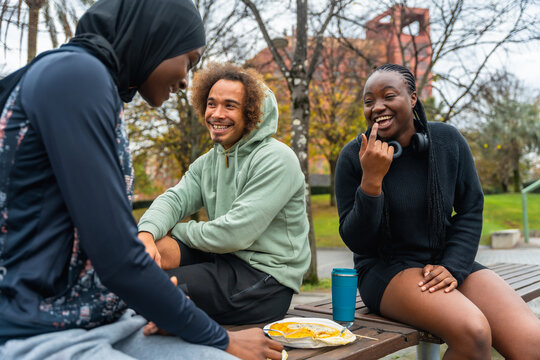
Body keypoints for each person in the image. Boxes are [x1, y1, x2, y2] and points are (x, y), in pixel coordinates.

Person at [0, 1, 283, 359]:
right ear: (157, 36)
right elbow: (119, 253)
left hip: (105, 319)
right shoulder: (75, 75)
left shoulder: (95, 85)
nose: (185, 80)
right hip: (39, 330)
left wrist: (166, 305)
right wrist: (221, 337)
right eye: (189, 60)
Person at [335, 63, 540, 359]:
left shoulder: (447, 142)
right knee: (474, 332)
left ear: (413, 98)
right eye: (369, 101)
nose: (377, 107)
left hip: (446, 261)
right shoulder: (354, 156)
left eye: (388, 96)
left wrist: (453, 266)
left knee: (532, 342)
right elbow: (359, 241)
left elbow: (470, 208)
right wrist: (371, 182)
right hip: (387, 269)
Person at [137, 62, 311, 325]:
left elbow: (235, 233)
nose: (216, 114)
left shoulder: (276, 158)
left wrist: (178, 230)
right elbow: (174, 199)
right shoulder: (210, 160)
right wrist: (147, 233)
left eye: (230, 105)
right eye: (211, 103)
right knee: (145, 256)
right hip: (223, 258)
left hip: (264, 280)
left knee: (149, 288)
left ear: (252, 113)